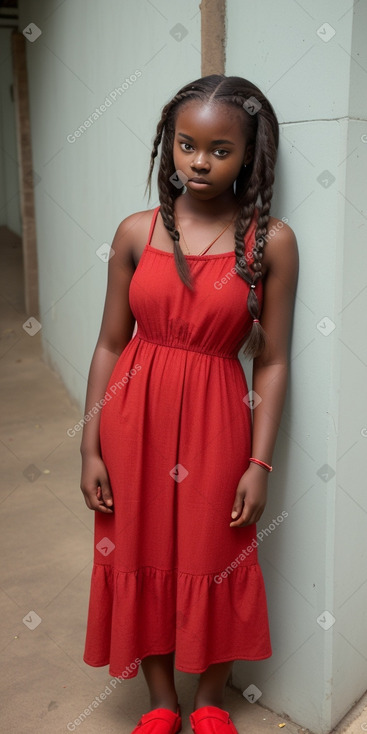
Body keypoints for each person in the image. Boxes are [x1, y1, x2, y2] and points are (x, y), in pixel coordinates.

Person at [80, 74, 299, 734]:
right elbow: (108, 344)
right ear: (168, 146)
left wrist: (258, 466)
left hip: (216, 416)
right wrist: (88, 444)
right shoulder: (132, 233)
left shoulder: (271, 244)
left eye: (219, 149)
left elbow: (274, 358)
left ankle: (208, 698)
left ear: (250, 155)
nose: (198, 162)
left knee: (216, 552)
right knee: (137, 545)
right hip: (131, 417)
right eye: (185, 144)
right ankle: (160, 702)